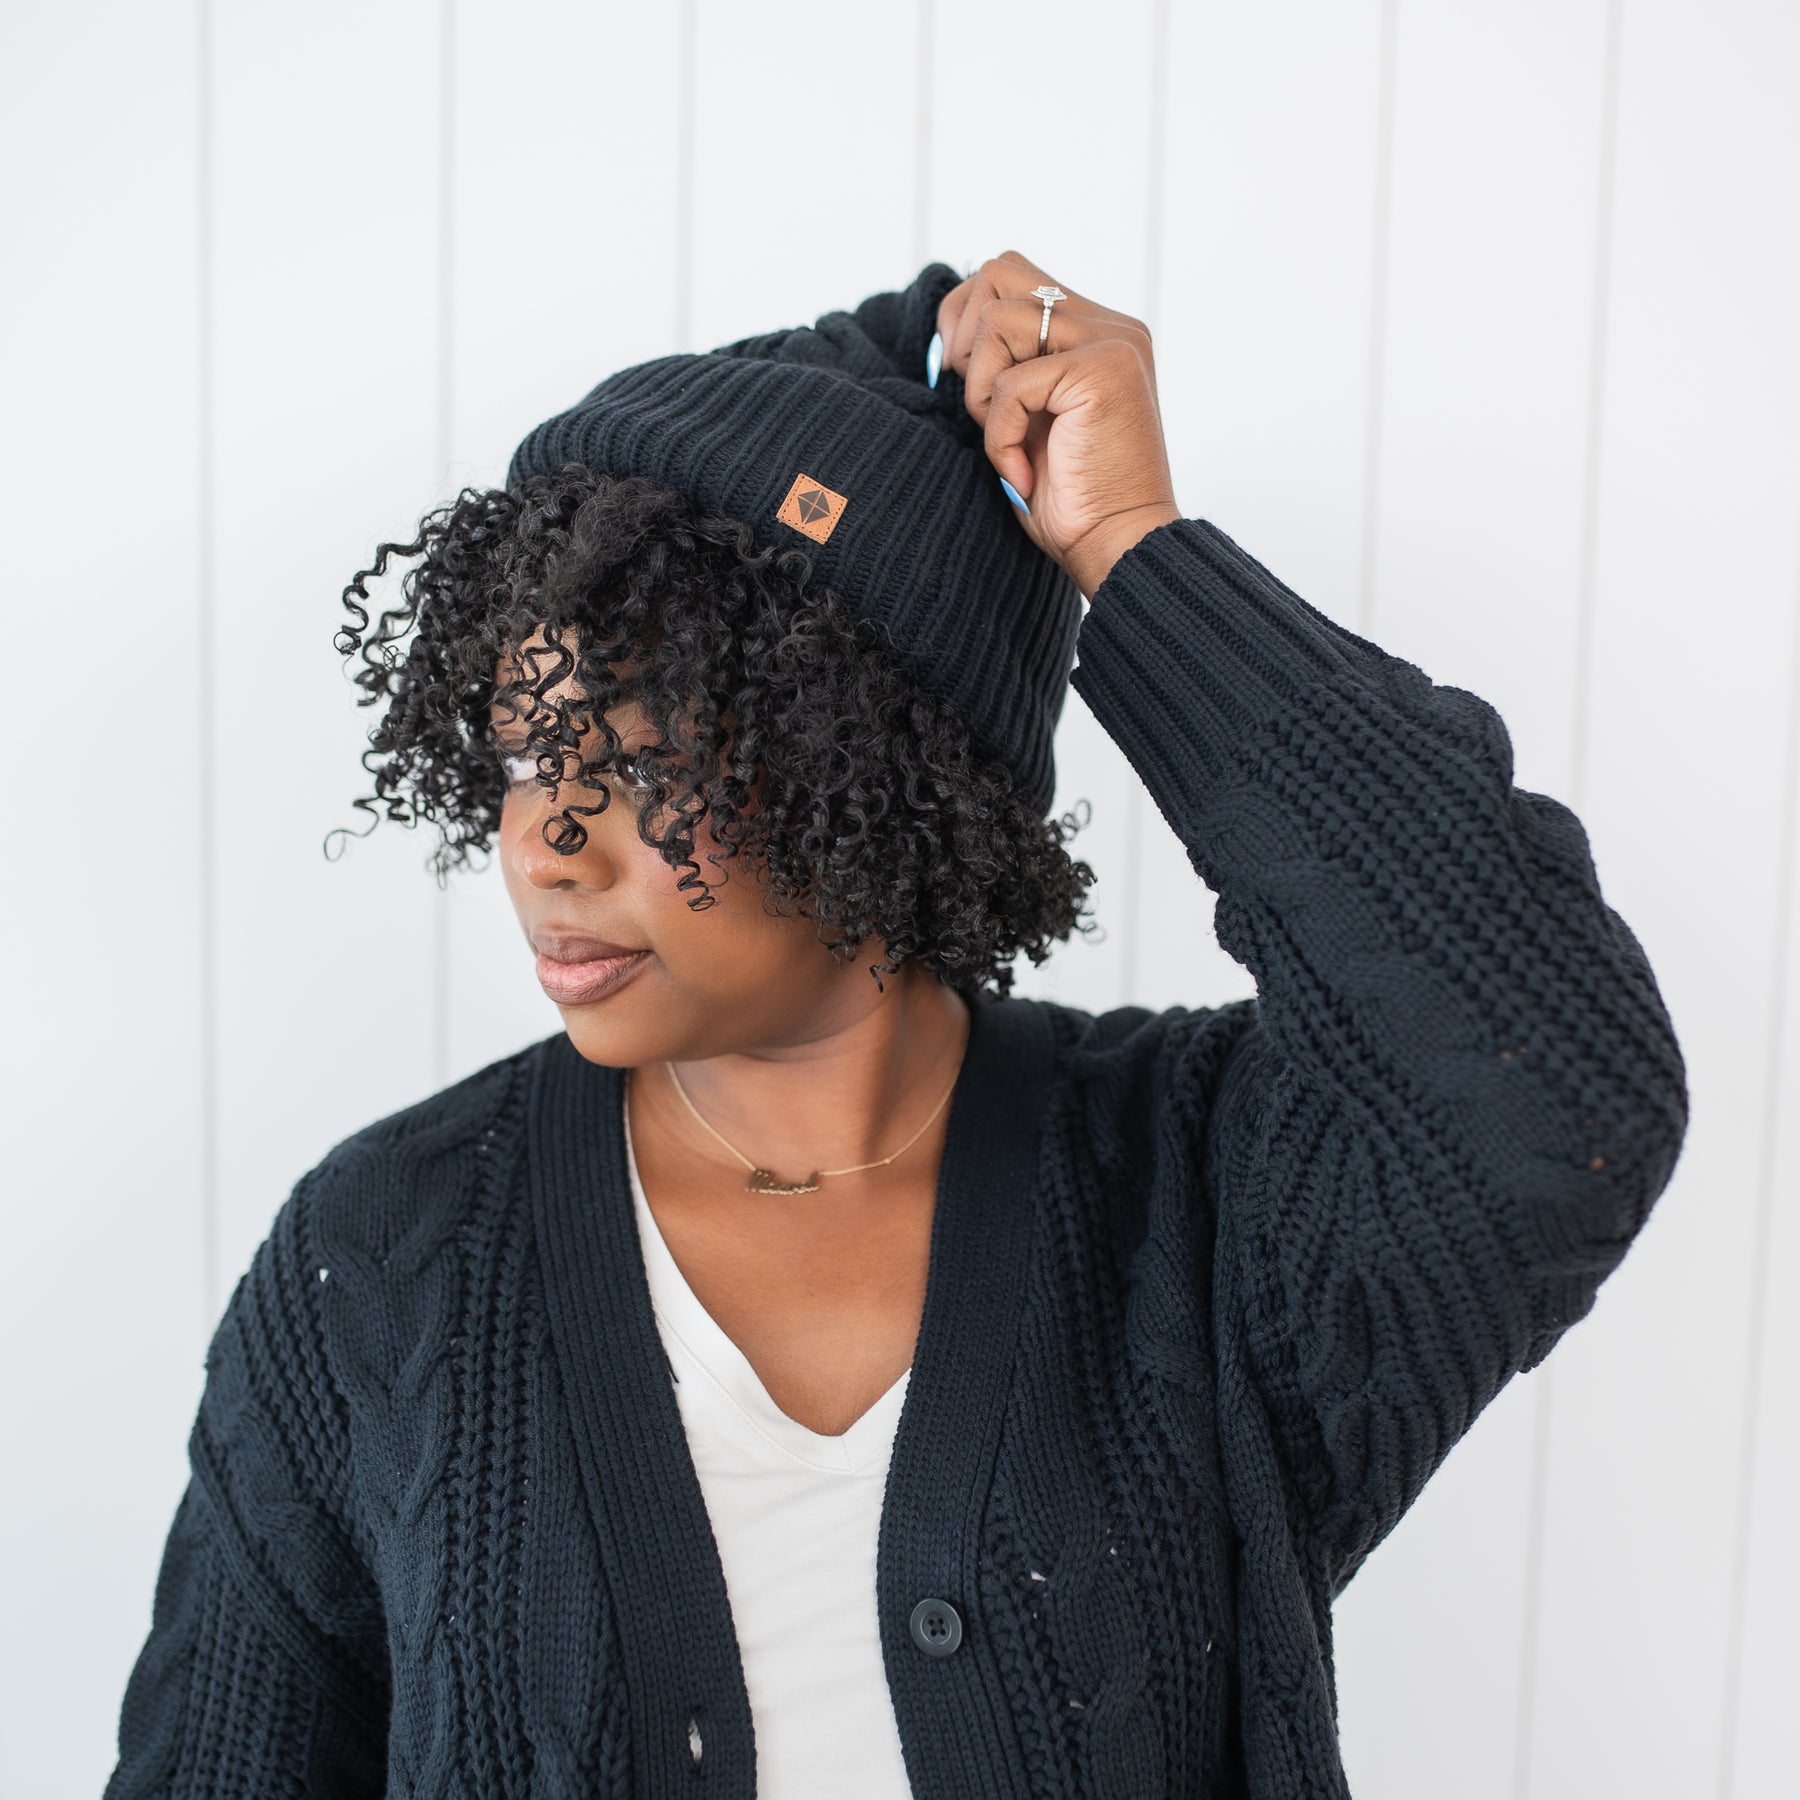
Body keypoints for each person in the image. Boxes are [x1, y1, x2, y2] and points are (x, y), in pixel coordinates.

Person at [103, 251, 1688, 1799]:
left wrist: (1136, 551)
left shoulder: (1201, 1200)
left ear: (881, 771)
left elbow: (1556, 1085)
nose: (546, 840)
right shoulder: (383, 1257)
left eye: (641, 767)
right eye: (528, 760)